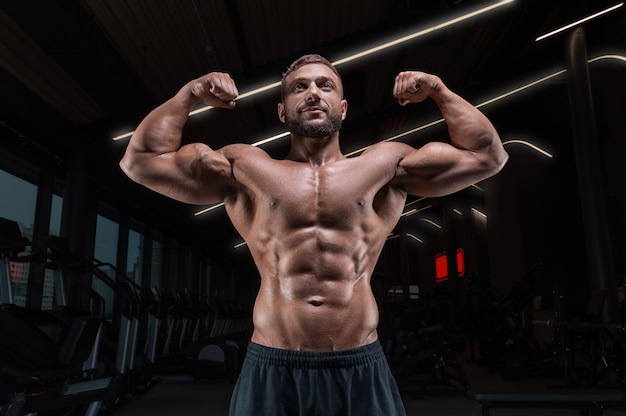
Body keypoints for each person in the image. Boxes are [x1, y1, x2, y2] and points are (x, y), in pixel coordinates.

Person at [120, 54, 508, 415]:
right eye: (299, 87)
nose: (312, 94)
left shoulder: (386, 166)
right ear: (282, 110)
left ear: (342, 107)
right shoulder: (245, 168)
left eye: (325, 85)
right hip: (273, 365)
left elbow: (488, 155)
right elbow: (140, 161)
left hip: (359, 363)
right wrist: (189, 94)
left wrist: (438, 90)